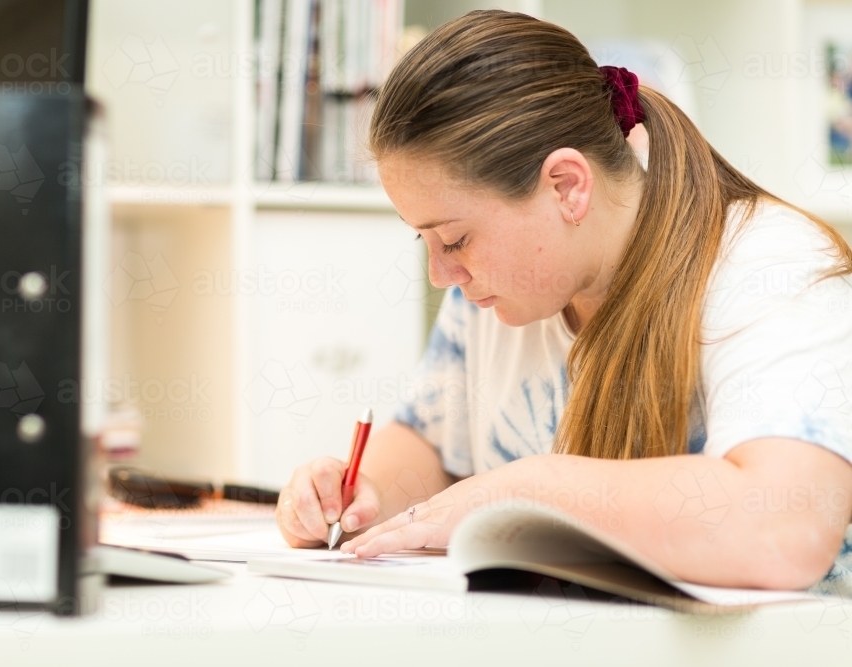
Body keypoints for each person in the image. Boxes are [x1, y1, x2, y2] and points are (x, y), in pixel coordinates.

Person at [275, 10, 852, 595]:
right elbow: (432, 443)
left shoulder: (772, 267)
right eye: (422, 238)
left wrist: (523, 491)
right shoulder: (496, 292)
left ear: (567, 186)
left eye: (454, 239)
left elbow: (784, 531)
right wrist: (359, 494)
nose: (440, 273)